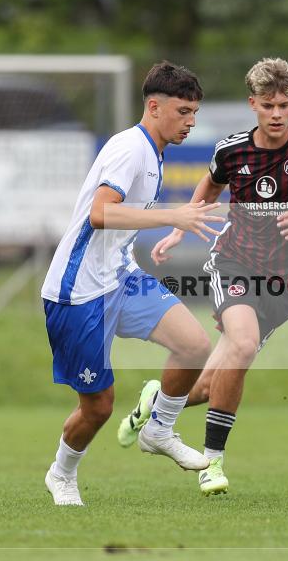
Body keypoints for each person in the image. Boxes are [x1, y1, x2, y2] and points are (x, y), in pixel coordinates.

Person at [116, 57, 288, 495]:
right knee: (243, 343)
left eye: (284, 105)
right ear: (253, 104)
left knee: (211, 384)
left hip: (285, 284)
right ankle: (213, 462)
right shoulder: (231, 151)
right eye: (268, 105)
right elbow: (209, 187)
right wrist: (177, 230)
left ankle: (157, 402)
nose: (276, 114)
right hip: (234, 263)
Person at [40, 61, 226, 506]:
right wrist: (172, 217)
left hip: (120, 278)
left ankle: (158, 429)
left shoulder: (154, 151)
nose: (191, 122)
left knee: (194, 345)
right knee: (99, 407)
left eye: (195, 113)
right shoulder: (130, 149)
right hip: (78, 292)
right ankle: (61, 474)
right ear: (154, 106)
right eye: (183, 111)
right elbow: (100, 213)